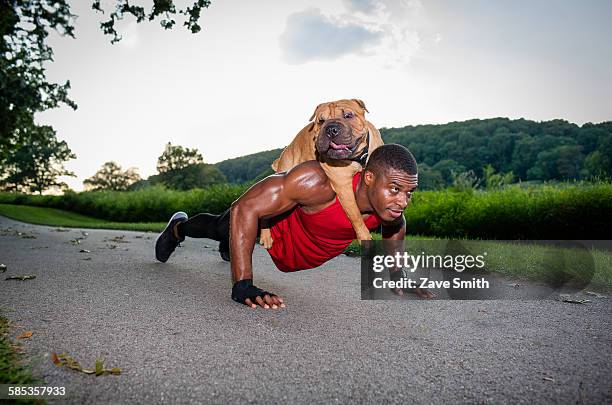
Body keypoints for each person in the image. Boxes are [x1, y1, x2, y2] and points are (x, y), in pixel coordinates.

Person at [155, 144, 434, 309]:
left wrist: (398, 274)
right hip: (272, 225)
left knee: (231, 238)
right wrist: (243, 285)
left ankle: (229, 246)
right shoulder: (318, 182)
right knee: (221, 226)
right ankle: (177, 228)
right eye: (395, 189)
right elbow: (246, 208)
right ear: (369, 178)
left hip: (294, 255)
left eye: (409, 193)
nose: (403, 201)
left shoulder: (389, 213)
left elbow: (395, 229)